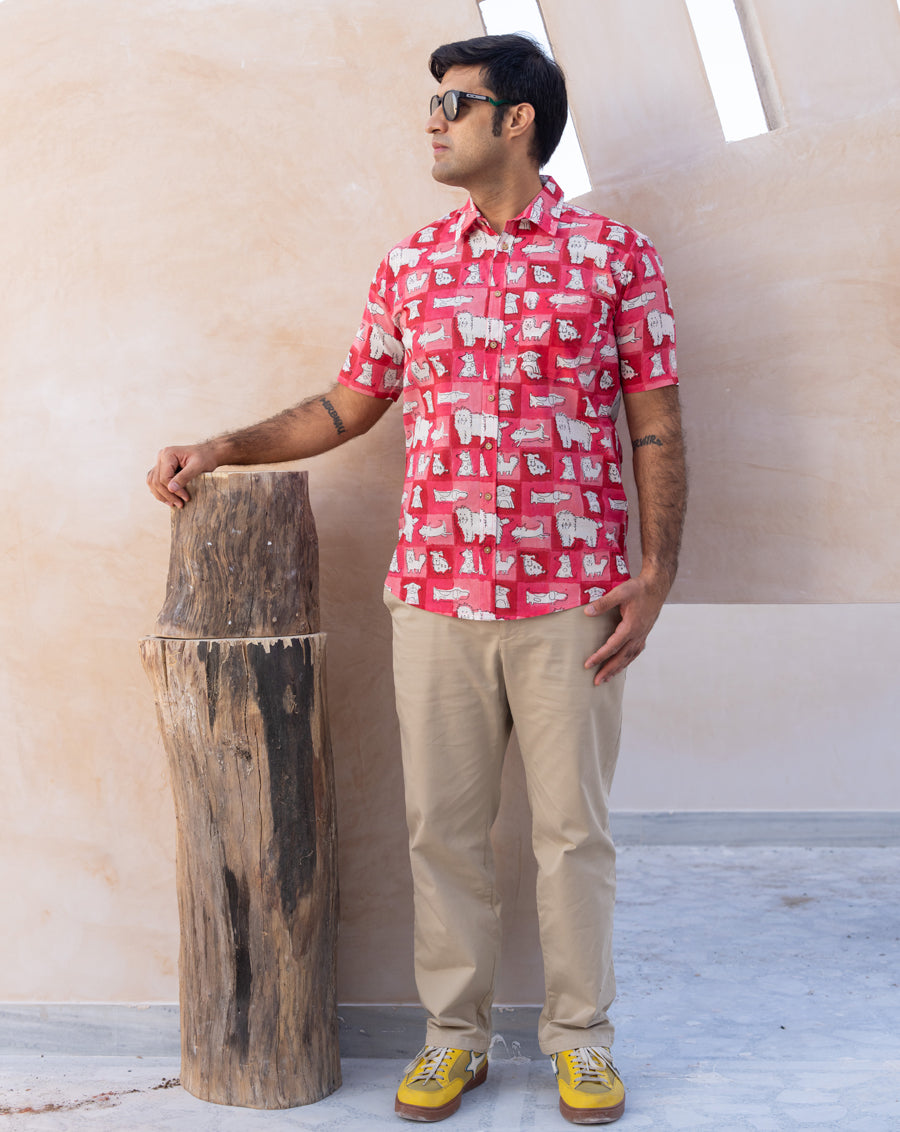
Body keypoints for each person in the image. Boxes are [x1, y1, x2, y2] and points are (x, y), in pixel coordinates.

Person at [147, 33, 686, 1126]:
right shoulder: (413, 264)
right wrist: (223, 446)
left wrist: (655, 573)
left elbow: (657, 427)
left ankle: (582, 1042)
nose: (432, 121)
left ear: (518, 119)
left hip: (573, 599)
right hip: (437, 595)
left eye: (454, 103)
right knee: (443, 831)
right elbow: (347, 405)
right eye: (432, 103)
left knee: (572, 835)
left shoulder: (616, 259)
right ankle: (455, 1040)